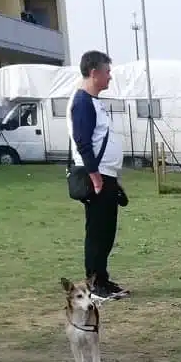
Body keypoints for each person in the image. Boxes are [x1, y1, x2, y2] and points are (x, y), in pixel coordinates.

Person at [70, 49, 128, 300]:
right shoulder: (82, 102)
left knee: (107, 232)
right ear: (94, 73)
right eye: (107, 72)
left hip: (107, 175)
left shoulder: (95, 102)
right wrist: (95, 177)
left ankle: (102, 279)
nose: (110, 77)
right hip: (96, 177)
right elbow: (83, 142)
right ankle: (93, 284)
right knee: (97, 232)